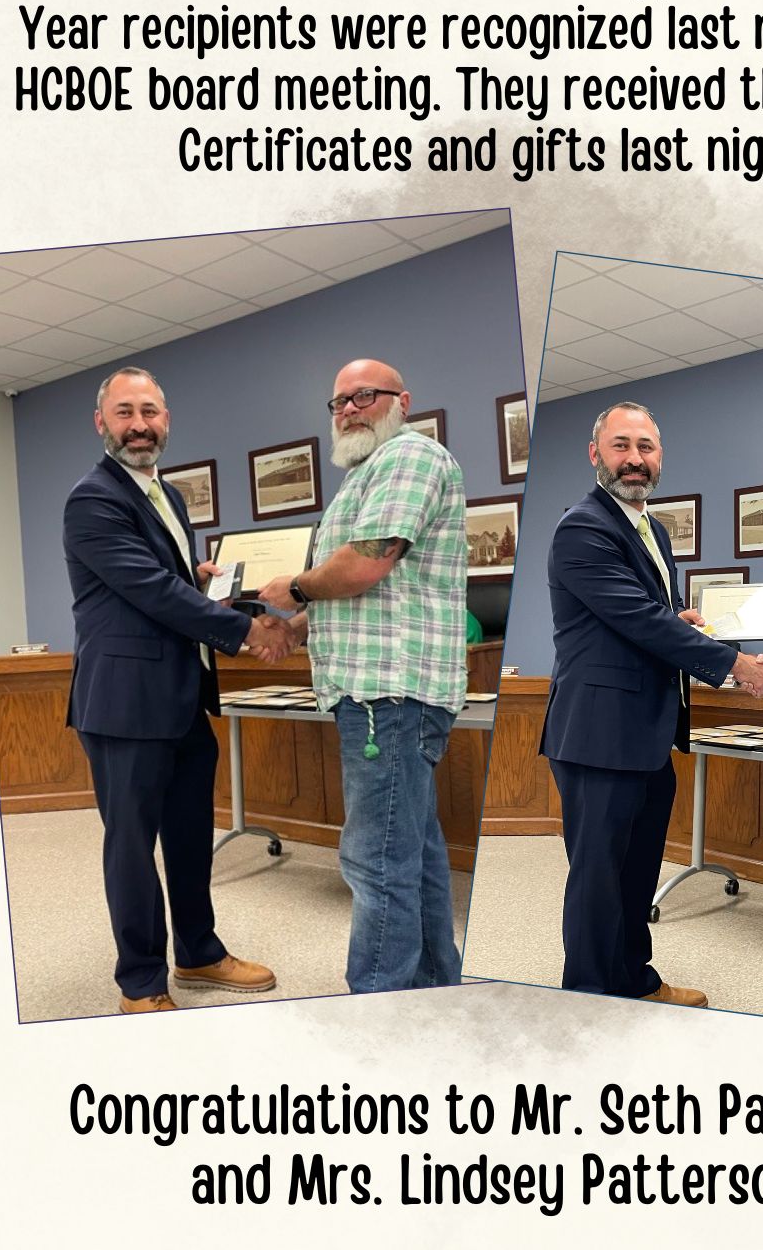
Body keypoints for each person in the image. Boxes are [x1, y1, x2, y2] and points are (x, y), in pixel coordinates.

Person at [64, 367, 289, 1014]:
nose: (140, 425)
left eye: (151, 412)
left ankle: (198, 952)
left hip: (183, 696)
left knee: (190, 836)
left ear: (167, 418)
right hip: (126, 703)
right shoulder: (93, 497)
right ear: (102, 422)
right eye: (126, 412)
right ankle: (140, 983)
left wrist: (199, 576)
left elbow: (164, 580)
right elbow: (149, 591)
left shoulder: (168, 494)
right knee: (132, 848)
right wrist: (246, 632)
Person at [540, 402, 763, 1006]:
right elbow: (636, 618)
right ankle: (589, 1000)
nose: (635, 459)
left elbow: (643, 619)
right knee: (598, 876)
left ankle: (635, 981)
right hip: (598, 734)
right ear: (596, 455)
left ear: (660, 457)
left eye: (646, 447)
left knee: (636, 869)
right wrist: (732, 664)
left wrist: (680, 620)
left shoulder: (652, 528)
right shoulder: (583, 526)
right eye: (621, 446)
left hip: (647, 731)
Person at [256, 359, 466, 994]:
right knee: (415, 856)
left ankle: (376, 1003)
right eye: (339, 402)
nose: (348, 409)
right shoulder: (362, 477)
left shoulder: (410, 457)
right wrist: (296, 628)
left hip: (389, 698)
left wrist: (290, 589)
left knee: (375, 862)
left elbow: (368, 564)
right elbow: (361, 591)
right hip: (377, 693)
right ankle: (431, 990)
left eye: (363, 396)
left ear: (400, 400)